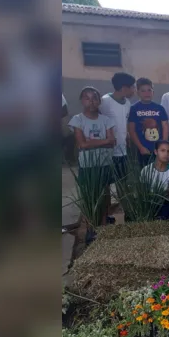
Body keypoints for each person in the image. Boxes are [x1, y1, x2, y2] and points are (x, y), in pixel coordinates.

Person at [69, 86, 116, 226]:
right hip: (87, 165)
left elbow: (111, 142)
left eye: (95, 98)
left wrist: (91, 142)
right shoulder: (77, 120)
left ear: (99, 101)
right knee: (90, 195)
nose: (91, 101)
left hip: (104, 163)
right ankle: (92, 224)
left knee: (105, 194)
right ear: (82, 101)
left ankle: (105, 221)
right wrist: (104, 141)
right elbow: (82, 144)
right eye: (87, 98)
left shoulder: (106, 120)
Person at [100, 72, 136, 182]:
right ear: (124, 88)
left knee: (122, 181)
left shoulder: (127, 103)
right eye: (132, 87)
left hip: (122, 149)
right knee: (105, 183)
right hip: (107, 152)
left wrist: (127, 135)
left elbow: (124, 121)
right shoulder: (105, 101)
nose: (134, 89)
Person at [128, 77, 169, 165]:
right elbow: (131, 130)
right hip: (143, 148)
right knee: (144, 172)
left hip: (158, 148)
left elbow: (165, 126)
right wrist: (140, 147)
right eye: (143, 91)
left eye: (149, 90)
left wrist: (163, 146)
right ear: (137, 92)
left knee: (160, 171)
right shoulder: (134, 108)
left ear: (153, 92)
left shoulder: (160, 108)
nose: (147, 93)